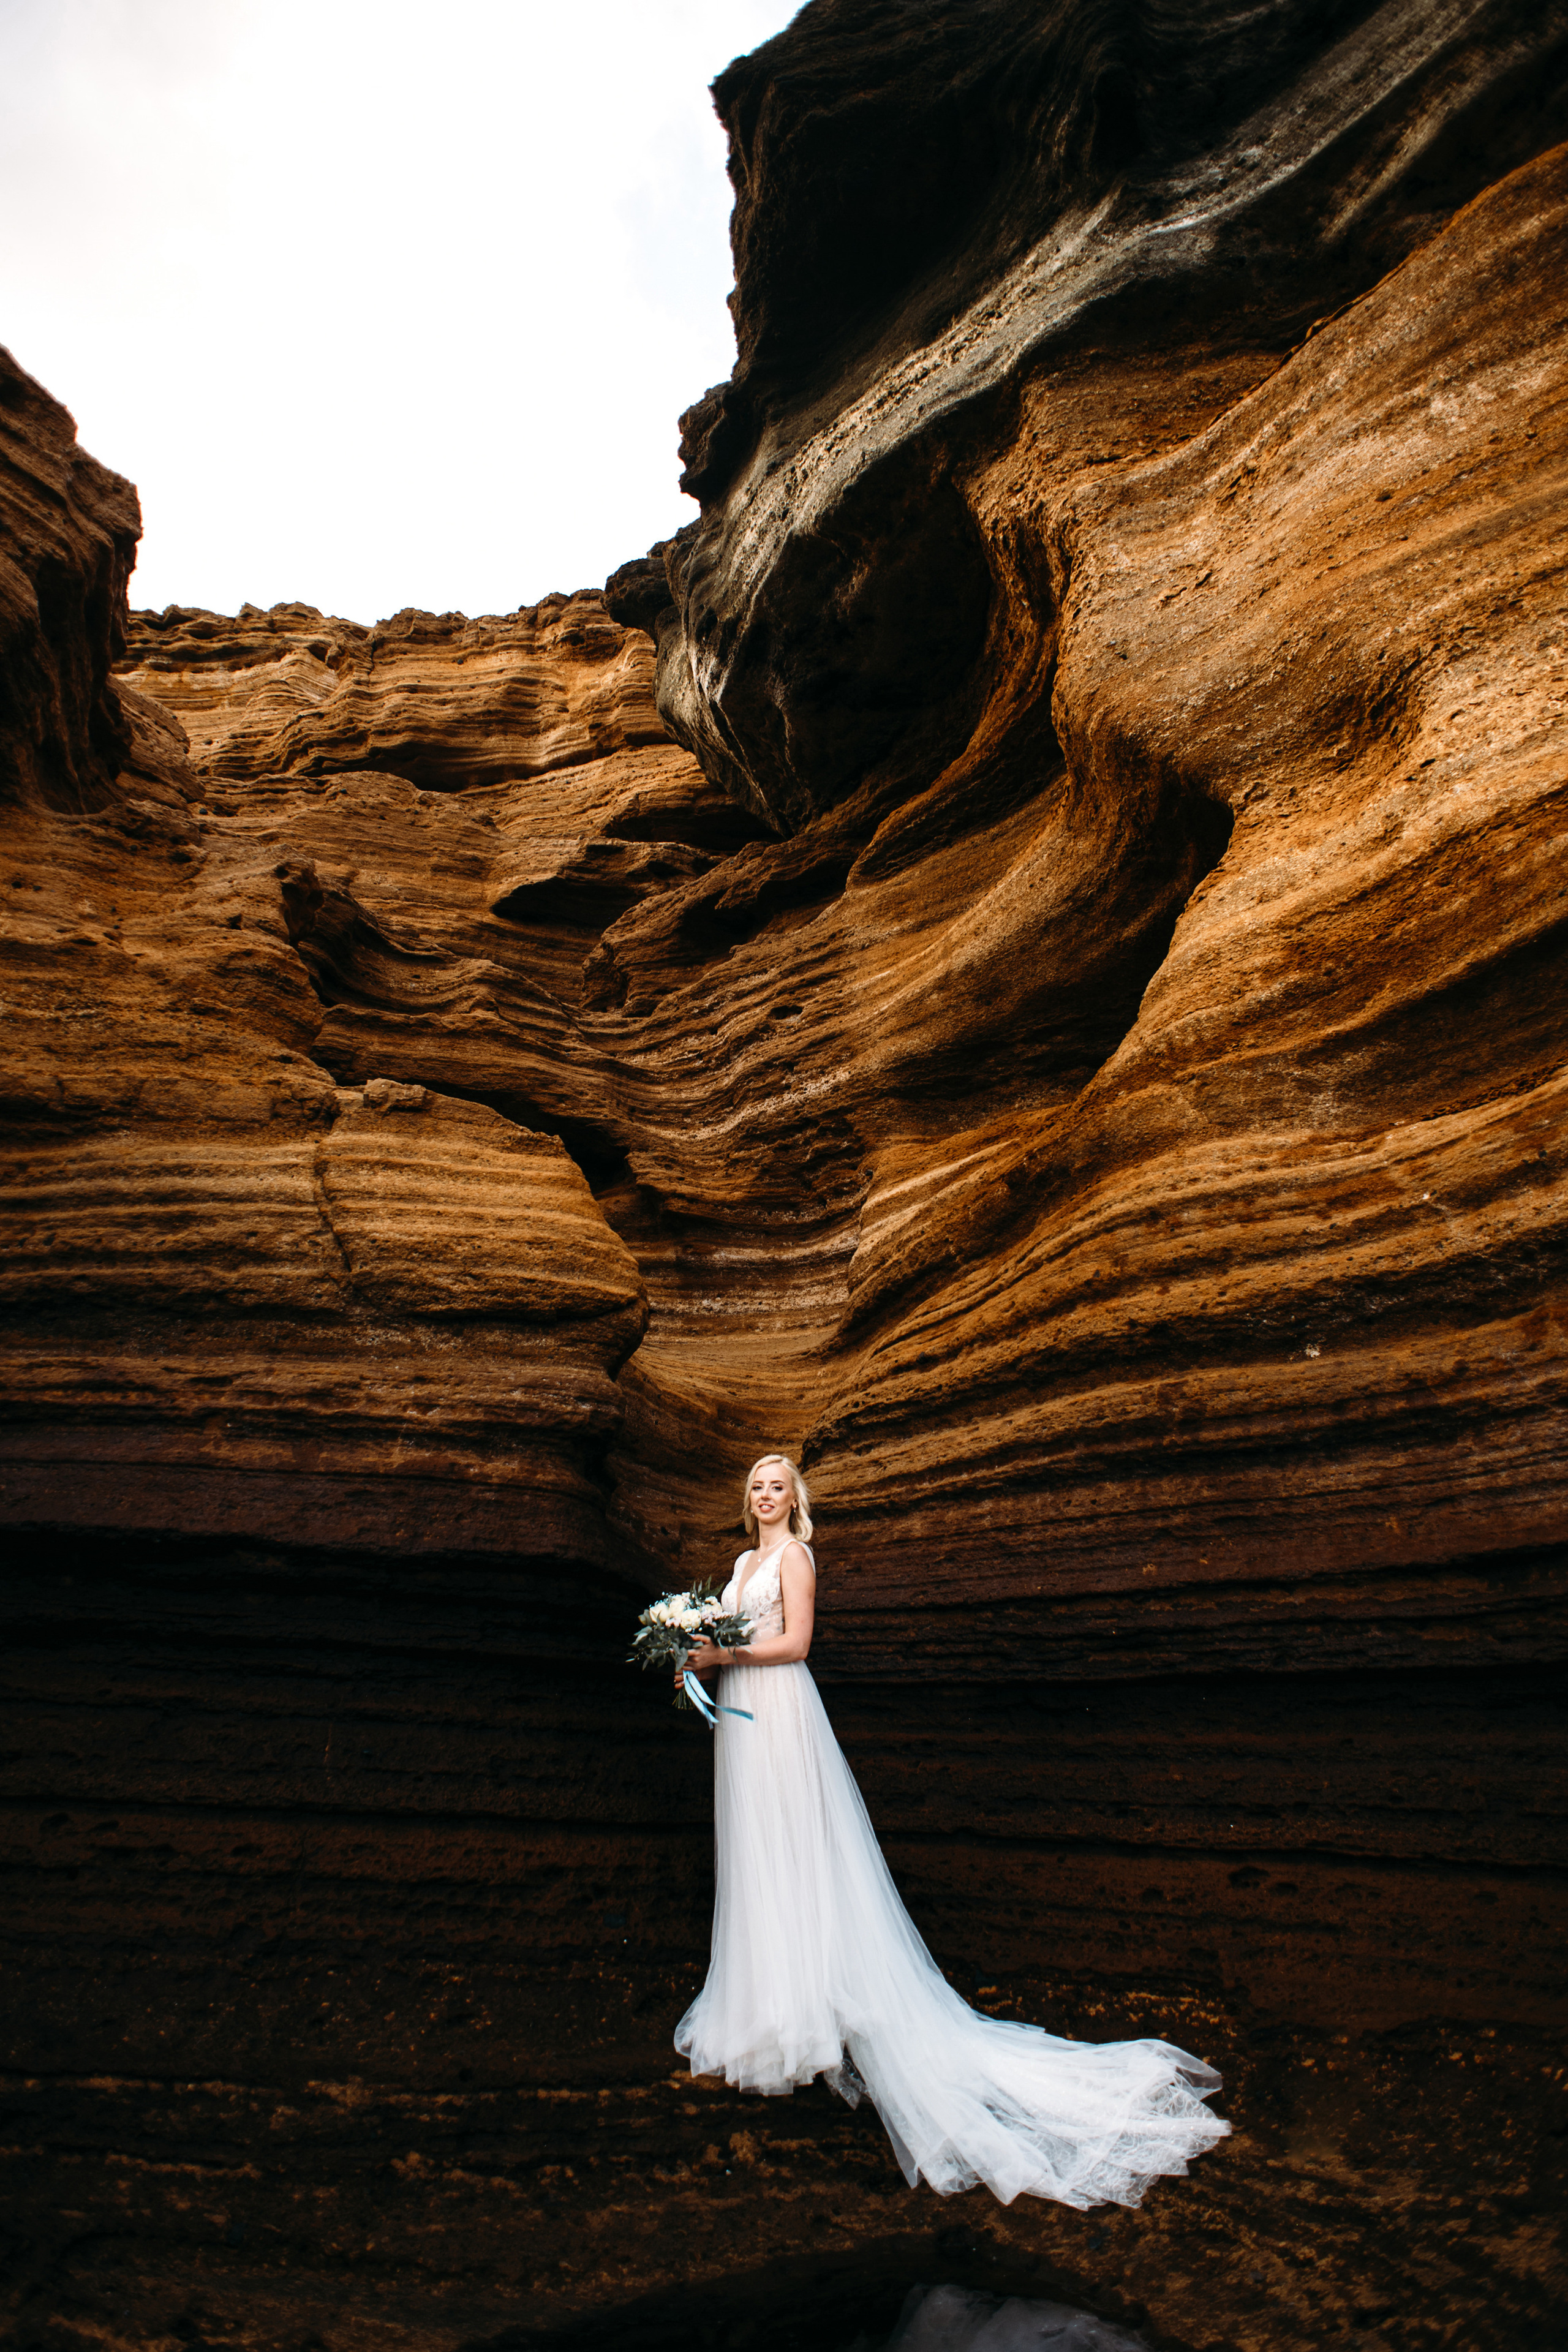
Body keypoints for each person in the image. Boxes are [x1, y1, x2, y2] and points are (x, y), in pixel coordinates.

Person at [674, 1452, 1230, 2208]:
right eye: (756, 1488)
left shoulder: (798, 1557)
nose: (765, 1497)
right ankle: (771, 2005)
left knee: (798, 1849)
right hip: (740, 1715)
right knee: (757, 1854)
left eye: (777, 1487)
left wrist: (724, 1654)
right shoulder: (742, 1561)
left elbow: (798, 1645)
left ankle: (814, 2003)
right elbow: (729, 1630)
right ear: (747, 1501)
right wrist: (694, 1659)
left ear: (794, 1499)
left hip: (779, 1710)